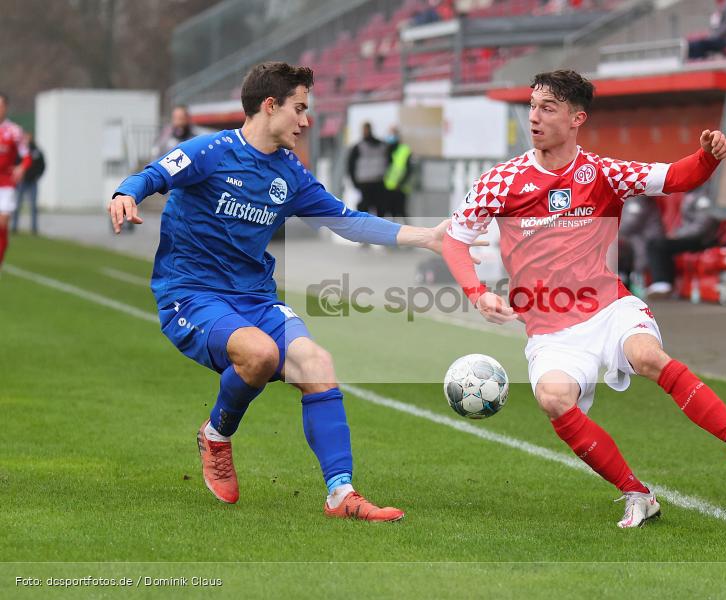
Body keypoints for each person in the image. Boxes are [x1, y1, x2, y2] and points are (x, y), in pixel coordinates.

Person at [108, 62, 470, 521]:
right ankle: (217, 435)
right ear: (270, 105)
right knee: (258, 355)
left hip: (255, 299)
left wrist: (426, 238)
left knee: (317, 363)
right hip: (192, 295)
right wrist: (126, 193)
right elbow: (153, 175)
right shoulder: (210, 152)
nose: (306, 120)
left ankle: (341, 494)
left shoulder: (290, 174)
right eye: (299, 108)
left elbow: (349, 221)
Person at [442, 70, 726, 528]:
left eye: (548, 108)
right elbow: (455, 240)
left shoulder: (603, 172)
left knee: (646, 356)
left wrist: (708, 156)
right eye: (532, 106)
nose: (535, 117)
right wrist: (477, 293)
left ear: (576, 117)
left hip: (607, 307)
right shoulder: (501, 181)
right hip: (551, 329)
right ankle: (637, 493)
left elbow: (677, 176)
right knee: (553, 398)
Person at [645, 184, 722, 299]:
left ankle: (663, 283)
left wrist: (678, 235)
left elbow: (703, 226)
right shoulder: (690, 194)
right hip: (689, 236)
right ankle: (662, 282)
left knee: (659, 245)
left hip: (703, 240)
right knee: (654, 242)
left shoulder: (705, 196)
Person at [0, 92, 31, 270]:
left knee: (2, 224)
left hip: (6, 184)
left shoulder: (14, 131)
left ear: (6, 107)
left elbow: (26, 156)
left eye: (1, 105)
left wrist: (21, 167)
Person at [346, 122, 388, 216]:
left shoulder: (359, 147)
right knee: (376, 208)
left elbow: (350, 166)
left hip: (371, 182)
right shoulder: (381, 145)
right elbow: (351, 166)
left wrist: (355, 182)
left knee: (371, 208)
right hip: (372, 182)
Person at [13, 132, 45, 235]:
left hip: (32, 182)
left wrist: (37, 176)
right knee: (17, 205)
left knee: (33, 206)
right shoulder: (20, 151)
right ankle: (14, 227)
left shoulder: (36, 151)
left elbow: (42, 165)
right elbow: (15, 163)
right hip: (22, 181)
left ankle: (34, 228)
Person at [383, 126, 413, 223]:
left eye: (393, 134)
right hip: (387, 187)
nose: (391, 137)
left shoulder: (405, 150)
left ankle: (409, 234)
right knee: (390, 213)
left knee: (401, 212)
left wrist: (401, 183)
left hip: (401, 187)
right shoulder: (386, 149)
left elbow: (409, 169)